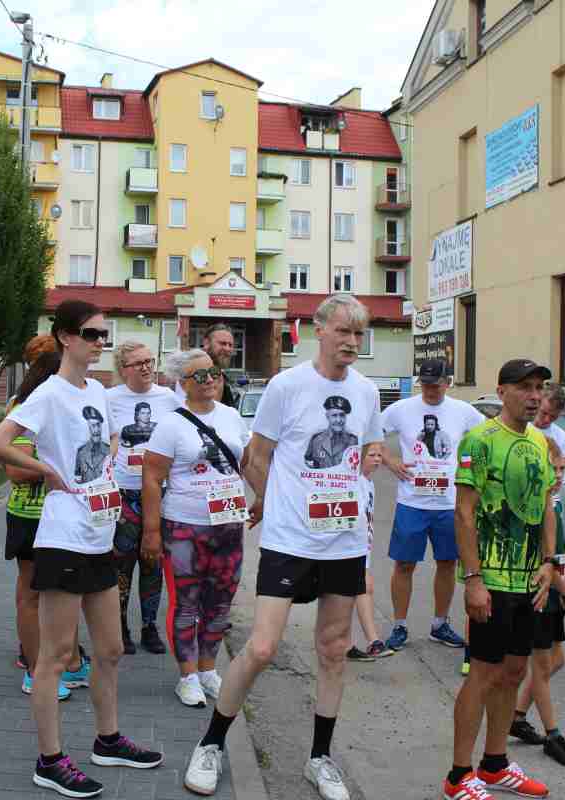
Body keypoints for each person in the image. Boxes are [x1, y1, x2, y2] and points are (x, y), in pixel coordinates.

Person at [183, 294, 383, 800]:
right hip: (290, 538)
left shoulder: (366, 392)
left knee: (333, 650)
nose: (351, 342)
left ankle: (320, 759)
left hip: (343, 541)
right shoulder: (287, 386)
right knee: (262, 648)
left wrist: (368, 467)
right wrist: (274, 503)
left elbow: (369, 449)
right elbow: (256, 456)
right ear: (320, 330)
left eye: (358, 334)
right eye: (343, 332)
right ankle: (211, 743)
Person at [0, 300, 162, 798]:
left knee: (110, 649)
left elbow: (109, 444)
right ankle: (50, 760)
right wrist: (46, 470)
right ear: (65, 337)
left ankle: (108, 739)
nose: (100, 342)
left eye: (105, 334)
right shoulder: (48, 393)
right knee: (56, 655)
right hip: (62, 539)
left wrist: (104, 478)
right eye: (91, 334)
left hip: (98, 535)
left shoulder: (97, 391)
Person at [442, 359, 558, 800]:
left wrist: (550, 562)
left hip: (529, 581)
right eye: (525, 387)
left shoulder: (539, 441)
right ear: (502, 391)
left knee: (514, 670)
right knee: (484, 674)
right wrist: (473, 579)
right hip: (490, 579)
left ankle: (494, 765)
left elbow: (546, 506)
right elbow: (464, 512)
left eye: (540, 387)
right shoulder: (480, 440)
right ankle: (458, 775)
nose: (534, 396)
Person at [140, 349, 249, 707]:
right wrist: (151, 532)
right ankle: (186, 675)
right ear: (183, 384)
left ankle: (208, 669)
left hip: (228, 525)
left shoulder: (231, 416)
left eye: (214, 372)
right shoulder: (171, 424)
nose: (210, 380)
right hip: (185, 525)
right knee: (187, 603)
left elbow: (247, 462)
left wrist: (264, 496)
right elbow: (152, 477)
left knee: (221, 602)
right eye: (200, 376)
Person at [379, 358, 486, 652]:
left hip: (449, 504)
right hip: (411, 502)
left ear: (447, 382)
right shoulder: (401, 409)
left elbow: (487, 439)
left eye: (435, 385)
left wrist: (473, 474)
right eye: (424, 384)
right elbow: (372, 434)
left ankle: (440, 624)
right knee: (404, 564)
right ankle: (400, 625)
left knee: (447, 563)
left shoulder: (463, 411)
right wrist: (390, 461)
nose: (429, 390)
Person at [5, 342, 88, 701]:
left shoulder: (72, 406)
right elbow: (14, 470)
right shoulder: (25, 408)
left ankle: (70, 662)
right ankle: (35, 670)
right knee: (31, 594)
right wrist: (59, 469)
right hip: (32, 516)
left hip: (69, 515)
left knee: (66, 591)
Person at [510, 384, 565, 768]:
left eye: (562, 469)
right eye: (552, 469)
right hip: (539, 590)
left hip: (552, 587)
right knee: (542, 663)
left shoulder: (553, 503)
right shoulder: (537, 506)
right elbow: (544, 559)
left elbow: (556, 555)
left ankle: (517, 716)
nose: (557, 475)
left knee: (555, 660)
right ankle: (553, 736)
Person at [107, 341, 179, 655]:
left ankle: (149, 626)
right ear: (124, 369)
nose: (147, 367)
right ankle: (119, 625)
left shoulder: (168, 399)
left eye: (150, 361)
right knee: (121, 564)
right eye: (139, 363)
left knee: (153, 562)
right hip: (123, 493)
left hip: (158, 494)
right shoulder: (109, 399)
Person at [347, 446, 390, 661]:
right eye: (371, 455)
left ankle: (347, 643)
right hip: (351, 547)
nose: (377, 459)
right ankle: (373, 642)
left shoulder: (369, 482)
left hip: (364, 546)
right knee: (363, 587)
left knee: (350, 592)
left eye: (379, 456)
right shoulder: (354, 481)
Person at [176, 324, 239, 408]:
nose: (227, 349)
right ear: (206, 343)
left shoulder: (225, 381)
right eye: (222, 343)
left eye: (230, 345)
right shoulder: (190, 373)